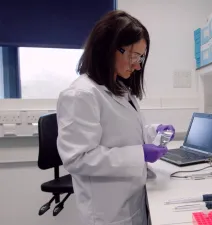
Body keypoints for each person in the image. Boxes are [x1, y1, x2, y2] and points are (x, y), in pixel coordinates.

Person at [56, 10, 175, 225]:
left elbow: (124, 134)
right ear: (108, 49)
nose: (138, 65)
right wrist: (139, 154)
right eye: (133, 56)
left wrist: (155, 131)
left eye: (141, 57)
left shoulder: (120, 88)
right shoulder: (81, 95)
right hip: (108, 212)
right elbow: (78, 159)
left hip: (130, 198)